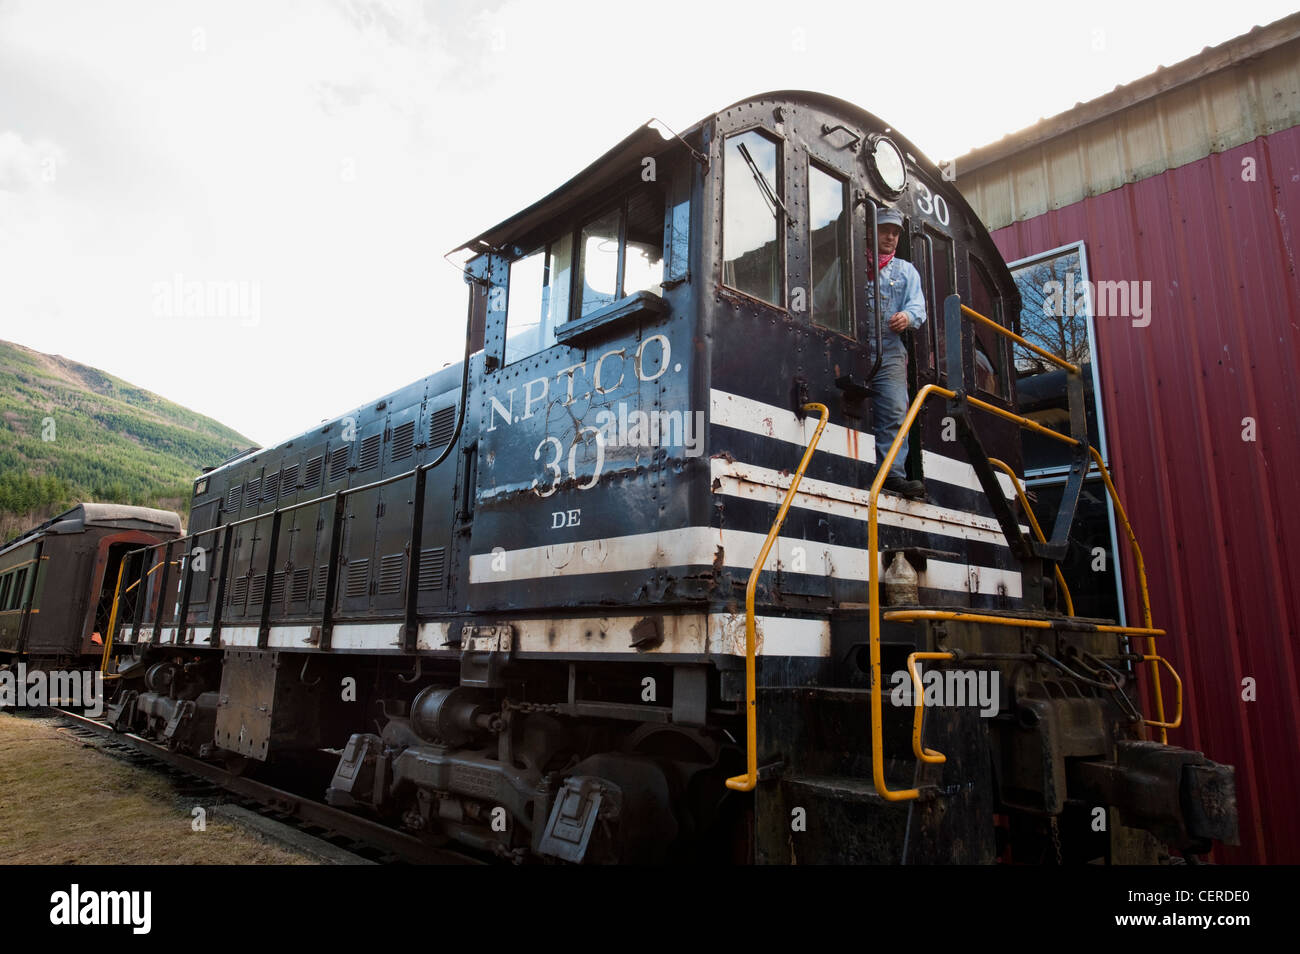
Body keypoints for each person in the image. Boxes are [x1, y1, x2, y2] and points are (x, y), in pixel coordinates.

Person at [869, 208, 927, 499]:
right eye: (885, 231)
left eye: (895, 232)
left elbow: (919, 308)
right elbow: (826, 298)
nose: (891, 237)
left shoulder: (906, 270)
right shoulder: (850, 264)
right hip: (855, 345)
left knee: (894, 409)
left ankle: (892, 475)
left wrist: (907, 316)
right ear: (871, 231)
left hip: (890, 351)